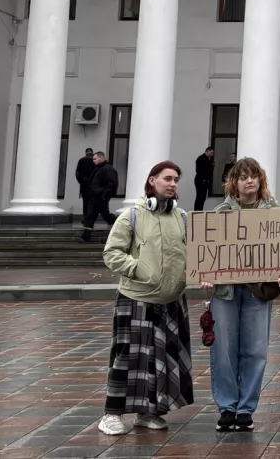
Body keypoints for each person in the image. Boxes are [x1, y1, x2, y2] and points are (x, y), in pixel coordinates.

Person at [98, 161, 194, 436]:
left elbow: (194, 252)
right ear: (152, 181)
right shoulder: (131, 216)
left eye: (176, 179)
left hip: (171, 301)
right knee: (128, 357)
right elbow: (112, 253)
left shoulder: (182, 218)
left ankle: (148, 413)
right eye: (167, 178)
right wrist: (139, 269)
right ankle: (111, 414)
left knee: (160, 360)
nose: (173, 184)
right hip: (136, 298)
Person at [201, 157, 280, 432]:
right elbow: (208, 249)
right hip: (225, 290)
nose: (249, 181)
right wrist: (204, 272)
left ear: (260, 180)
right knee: (224, 350)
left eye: (253, 176)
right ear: (234, 183)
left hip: (258, 291)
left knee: (255, 350)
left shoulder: (275, 213)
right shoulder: (220, 213)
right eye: (243, 177)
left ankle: (245, 409)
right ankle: (227, 407)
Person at [81, 152, 120, 242]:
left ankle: (120, 227)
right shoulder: (99, 169)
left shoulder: (108, 169)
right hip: (96, 196)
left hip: (101, 197)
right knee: (90, 215)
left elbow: (112, 184)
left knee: (105, 215)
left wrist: (104, 194)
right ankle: (85, 237)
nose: (93, 161)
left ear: (101, 158)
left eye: (95, 159)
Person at [193, 147, 215, 212]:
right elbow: (199, 170)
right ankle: (197, 211)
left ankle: (200, 210)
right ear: (207, 151)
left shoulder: (209, 160)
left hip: (205, 181)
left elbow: (209, 171)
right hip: (200, 181)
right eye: (211, 152)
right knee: (200, 197)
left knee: (203, 198)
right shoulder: (201, 158)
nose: (212, 154)